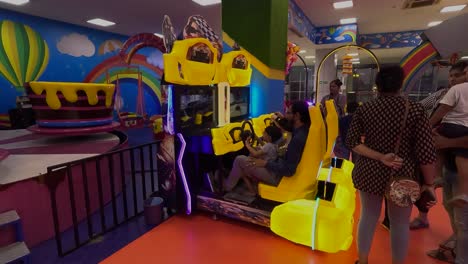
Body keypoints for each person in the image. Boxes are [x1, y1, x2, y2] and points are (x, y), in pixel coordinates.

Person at [345, 65, 437, 264]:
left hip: (369, 171)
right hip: (402, 173)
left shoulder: (365, 109)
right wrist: (429, 183)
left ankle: (362, 260)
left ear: (377, 85)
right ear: (401, 84)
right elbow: (425, 152)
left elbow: (351, 142)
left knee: (368, 217)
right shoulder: (415, 110)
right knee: (400, 224)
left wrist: (379, 156)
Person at [385, 61, 468, 231]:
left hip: (456, 155)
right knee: (446, 200)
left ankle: (459, 250)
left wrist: (445, 140)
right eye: (451, 76)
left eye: (457, 75)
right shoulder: (443, 94)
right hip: (441, 152)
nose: (452, 79)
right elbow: (421, 106)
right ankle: (428, 220)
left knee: (460, 210)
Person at [223, 101, 310, 195]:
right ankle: (243, 183)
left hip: (277, 176)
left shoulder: (297, 139)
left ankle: (226, 187)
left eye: (288, 113)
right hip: (276, 167)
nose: (285, 115)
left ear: (297, 116)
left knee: (239, 159)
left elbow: (288, 170)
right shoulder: (301, 130)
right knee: (252, 156)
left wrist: (265, 163)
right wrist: (280, 119)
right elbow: (288, 127)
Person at [431, 132, 468, 264]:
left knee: (463, 221)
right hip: (450, 168)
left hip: (462, 175)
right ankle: (457, 251)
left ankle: (462, 259)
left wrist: (446, 142)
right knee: (452, 211)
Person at [241, 125, 283, 195]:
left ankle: (252, 192)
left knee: (242, 171)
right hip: (271, 170)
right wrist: (257, 138)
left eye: (264, 133)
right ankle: (254, 188)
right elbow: (263, 146)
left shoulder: (269, 146)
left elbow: (255, 154)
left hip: (268, 170)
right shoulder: (273, 144)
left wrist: (247, 144)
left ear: (269, 137)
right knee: (256, 150)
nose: (262, 133)